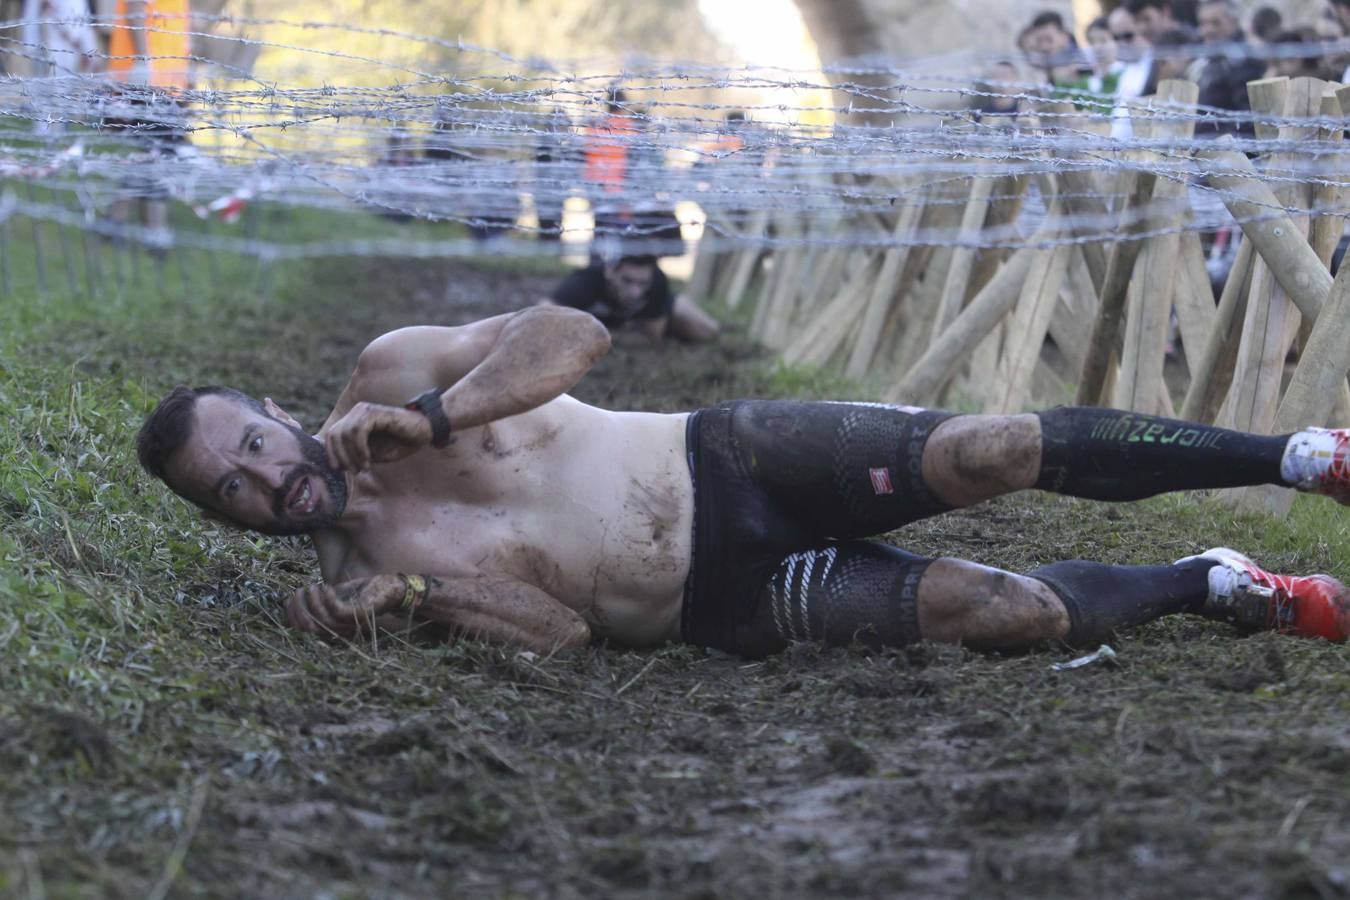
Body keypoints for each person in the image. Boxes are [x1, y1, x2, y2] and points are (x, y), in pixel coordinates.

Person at [135, 308, 1350, 659]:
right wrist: (410, 604)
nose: (258, 484)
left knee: (991, 451)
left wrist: (437, 413)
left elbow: (576, 336)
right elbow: (556, 635)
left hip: (725, 455)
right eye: (225, 493)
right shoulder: (355, 581)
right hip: (726, 608)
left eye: (250, 447)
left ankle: (1298, 458)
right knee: (1009, 613)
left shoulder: (393, 373)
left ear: (279, 416)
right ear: (226, 525)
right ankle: (1212, 580)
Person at [103, 0, 192, 254]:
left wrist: (186, 74)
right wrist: (143, 62)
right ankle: (153, 230)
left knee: (154, 153)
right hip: (147, 79)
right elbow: (134, 6)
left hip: (168, 81)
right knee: (159, 153)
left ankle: (115, 220)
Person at [541, 253, 719, 344]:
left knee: (707, 331)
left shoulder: (657, 282)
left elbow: (651, 337)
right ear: (610, 272)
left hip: (649, 318)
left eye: (642, 283)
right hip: (599, 326)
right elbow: (542, 313)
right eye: (627, 281)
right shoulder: (585, 282)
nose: (635, 291)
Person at [1193, 0, 1266, 137]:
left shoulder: (1244, 60)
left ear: (1234, 21)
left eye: (1215, 23)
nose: (1207, 30)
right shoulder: (1211, 56)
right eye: (1203, 23)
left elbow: (1247, 118)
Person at [1109, 6, 1156, 100]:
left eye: (1127, 36)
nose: (1121, 43)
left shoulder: (1158, 65)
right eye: (1116, 38)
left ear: (1141, 28)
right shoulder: (1117, 68)